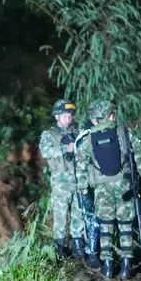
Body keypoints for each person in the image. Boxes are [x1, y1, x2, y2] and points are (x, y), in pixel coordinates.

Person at [75, 99, 141, 279]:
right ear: (112, 115)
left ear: (94, 120)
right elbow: (137, 155)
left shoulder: (88, 139)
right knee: (125, 225)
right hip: (124, 186)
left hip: (101, 189)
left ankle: (107, 265)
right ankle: (126, 265)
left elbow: (81, 166)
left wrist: (83, 189)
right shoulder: (123, 132)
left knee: (106, 225)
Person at [38, 99, 85, 260]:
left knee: (78, 214)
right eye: (65, 116)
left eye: (70, 116)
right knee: (61, 216)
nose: (68, 119)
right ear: (57, 116)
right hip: (61, 183)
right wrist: (66, 148)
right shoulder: (49, 134)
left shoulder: (77, 132)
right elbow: (45, 152)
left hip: (78, 180)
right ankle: (61, 247)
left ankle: (78, 246)